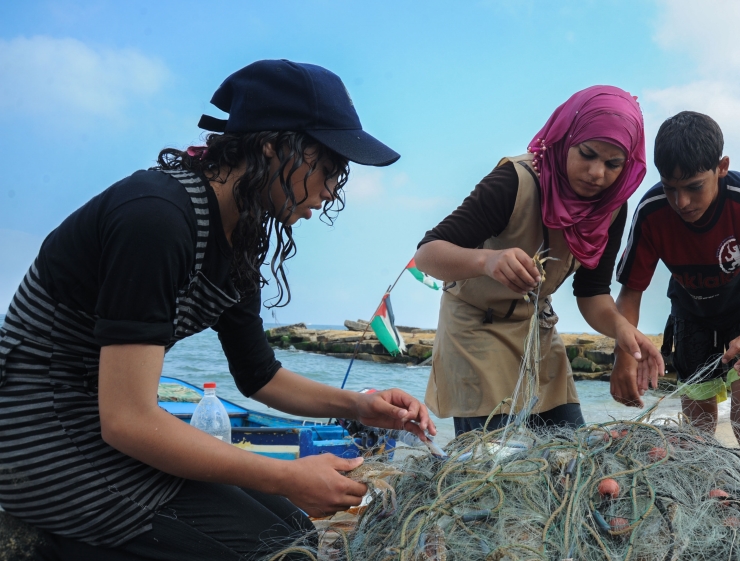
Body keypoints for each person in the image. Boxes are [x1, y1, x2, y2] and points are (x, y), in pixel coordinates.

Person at [0, 59, 436, 560]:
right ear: (272, 146)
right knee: (278, 552)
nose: (332, 188)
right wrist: (284, 473)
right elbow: (125, 419)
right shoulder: (157, 217)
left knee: (294, 529)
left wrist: (362, 406)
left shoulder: (238, 234)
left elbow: (259, 376)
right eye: (329, 166)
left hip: (104, 428)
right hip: (38, 437)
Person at [415, 86, 663, 436]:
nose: (597, 174)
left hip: (538, 332)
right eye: (587, 154)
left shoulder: (611, 208)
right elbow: (427, 254)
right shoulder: (514, 182)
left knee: (570, 454)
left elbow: (592, 293)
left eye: (613, 164)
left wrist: (623, 329)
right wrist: (488, 260)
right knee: (497, 467)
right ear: (564, 137)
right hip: (475, 333)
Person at [612, 111, 740, 484]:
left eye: (694, 186)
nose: (681, 201)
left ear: (721, 167)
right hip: (692, 315)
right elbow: (630, 295)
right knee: (696, 430)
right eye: (669, 187)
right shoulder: (651, 213)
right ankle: (701, 502)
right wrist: (623, 359)